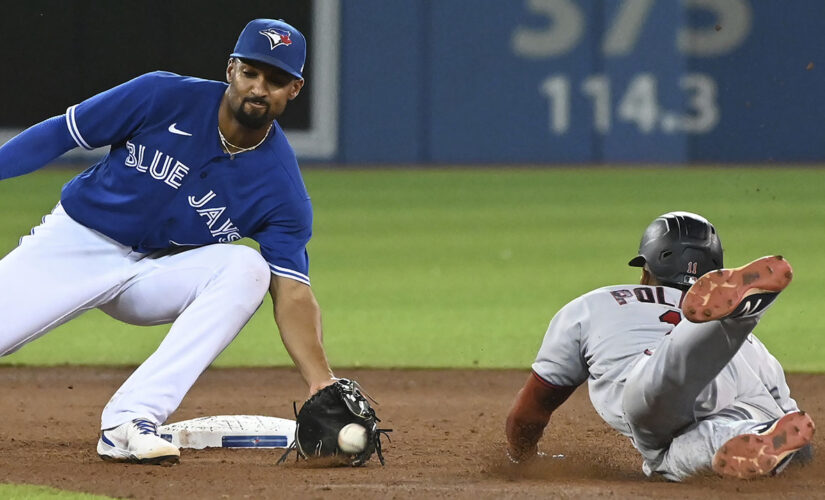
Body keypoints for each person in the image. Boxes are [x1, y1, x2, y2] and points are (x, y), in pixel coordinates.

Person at [0, 19, 337, 465]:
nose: (259, 88)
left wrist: (322, 382)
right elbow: (60, 133)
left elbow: (293, 290)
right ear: (231, 68)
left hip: (153, 277)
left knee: (248, 269)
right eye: (251, 72)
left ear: (294, 89)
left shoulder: (282, 192)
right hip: (75, 243)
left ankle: (130, 420)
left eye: (275, 80)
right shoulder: (160, 95)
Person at [505, 211, 815, 480]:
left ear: (645, 270)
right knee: (666, 460)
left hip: (652, 391)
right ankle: (743, 424)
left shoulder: (591, 306)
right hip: (734, 389)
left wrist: (522, 456)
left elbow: (532, 410)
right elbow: (796, 432)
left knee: (658, 391)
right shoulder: (754, 347)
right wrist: (792, 450)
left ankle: (731, 323)